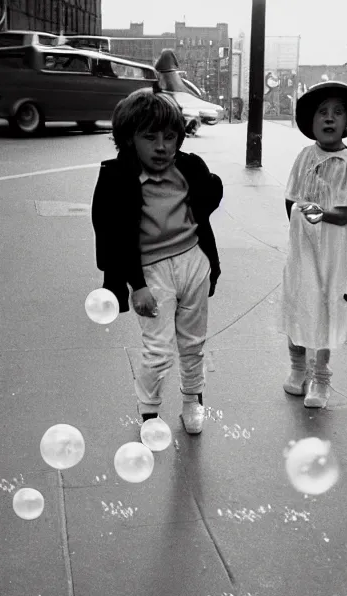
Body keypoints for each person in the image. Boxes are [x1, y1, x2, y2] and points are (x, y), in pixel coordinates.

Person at [91, 89, 223, 435]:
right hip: (151, 271)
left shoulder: (188, 167)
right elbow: (112, 236)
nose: (162, 146)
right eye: (150, 137)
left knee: (194, 342)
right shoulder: (118, 178)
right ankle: (149, 411)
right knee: (159, 350)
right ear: (129, 140)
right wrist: (136, 286)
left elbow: (210, 199)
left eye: (170, 136)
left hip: (193, 261)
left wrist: (207, 267)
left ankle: (193, 400)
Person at [279, 81, 347, 408]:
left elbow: (341, 215)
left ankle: (321, 379)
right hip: (303, 243)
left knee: (325, 308)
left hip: (333, 247)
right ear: (312, 121)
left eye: (337, 113)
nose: (329, 118)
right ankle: (297, 367)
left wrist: (305, 209)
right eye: (323, 112)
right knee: (298, 301)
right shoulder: (304, 156)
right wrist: (298, 223)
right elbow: (289, 198)